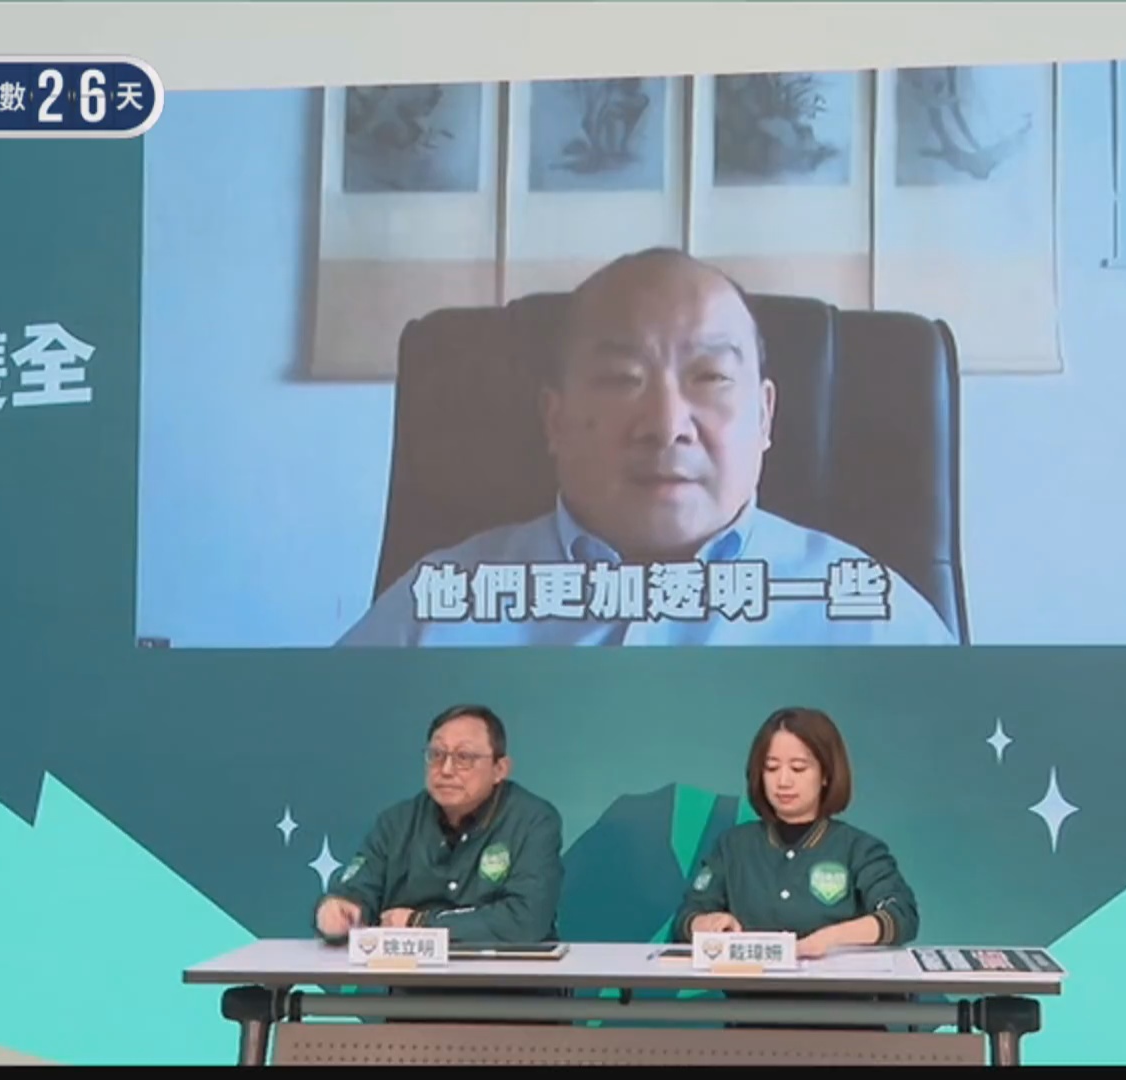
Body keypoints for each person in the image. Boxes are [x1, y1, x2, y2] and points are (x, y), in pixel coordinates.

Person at [336, 246, 958, 648]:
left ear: (765, 416)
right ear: (555, 419)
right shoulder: (436, 610)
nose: (666, 424)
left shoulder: (869, 619)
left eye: (709, 376)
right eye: (620, 379)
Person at [672, 707, 920, 1031]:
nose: (783, 781)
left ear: (826, 774)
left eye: (798, 768)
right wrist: (706, 924)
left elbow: (901, 915)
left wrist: (831, 939)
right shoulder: (733, 846)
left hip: (848, 1029)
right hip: (752, 1028)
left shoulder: (858, 848)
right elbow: (686, 919)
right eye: (771, 768)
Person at [315, 704, 564, 945]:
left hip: (507, 972)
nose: (445, 769)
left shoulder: (533, 821)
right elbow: (356, 892)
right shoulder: (396, 823)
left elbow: (526, 919)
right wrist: (339, 909)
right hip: (414, 972)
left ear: (499, 769)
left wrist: (421, 923)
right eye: (437, 755)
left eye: (464, 757)